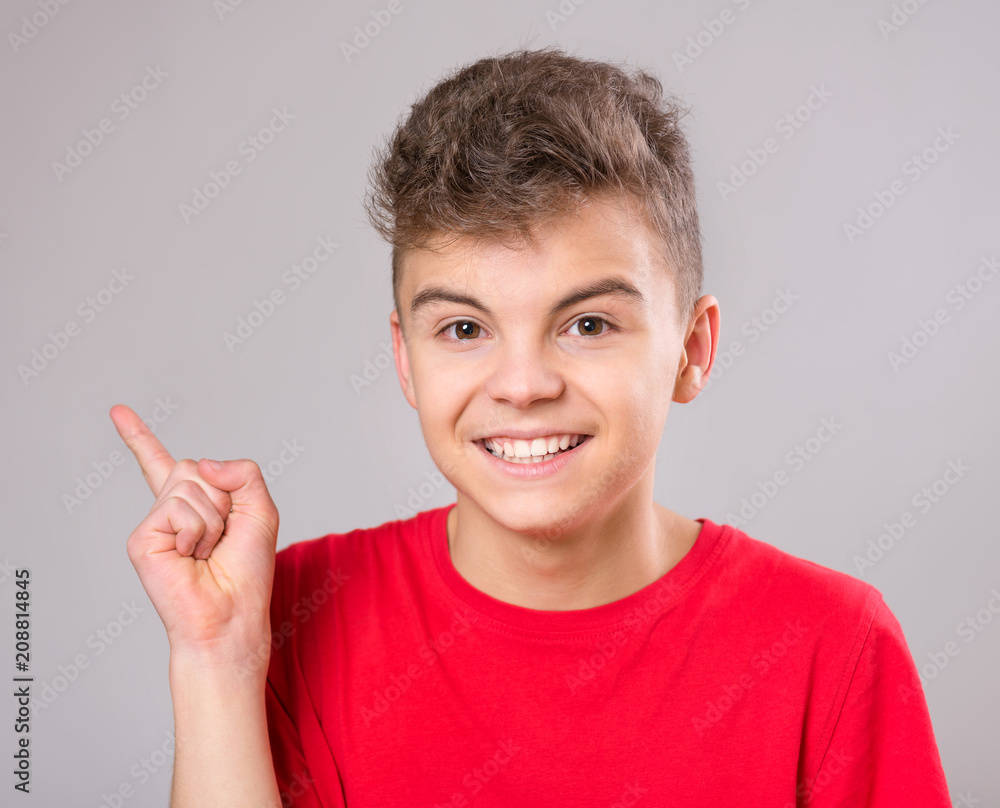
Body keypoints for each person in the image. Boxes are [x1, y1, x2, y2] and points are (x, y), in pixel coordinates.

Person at [112, 46, 952, 806]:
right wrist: (217, 661)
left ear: (692, 349)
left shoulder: (832, 648)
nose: (521, 386)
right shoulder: (281, 615)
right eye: (465, 329)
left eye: (587, 324)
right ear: (406, 360)